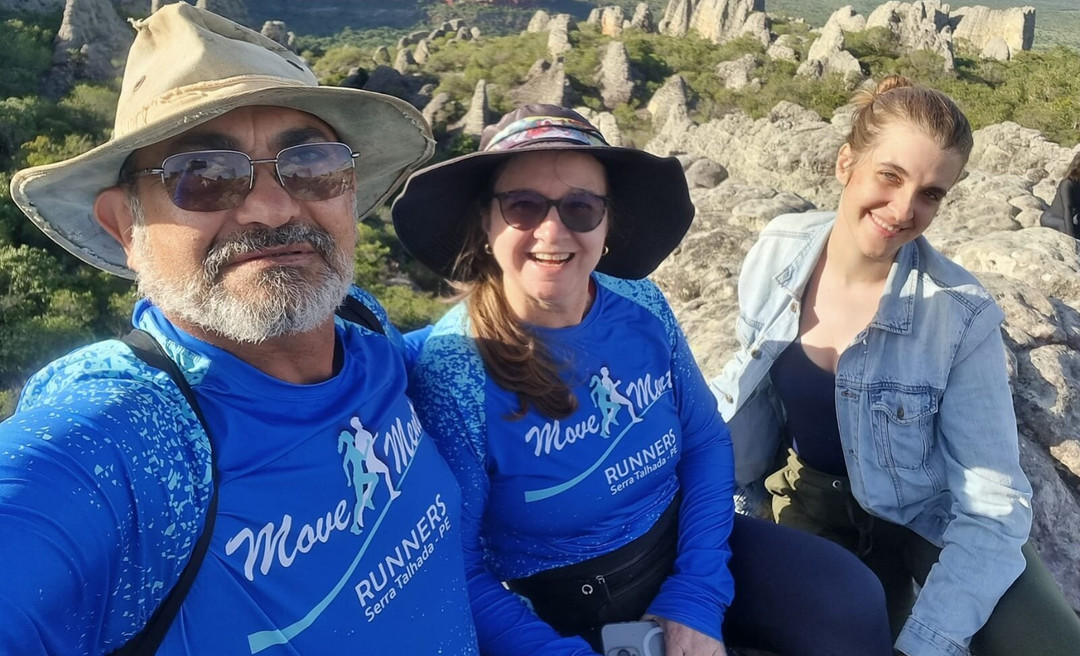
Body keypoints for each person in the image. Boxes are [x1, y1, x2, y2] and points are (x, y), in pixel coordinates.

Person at [0, 3, 480, 654]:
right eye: (202, 176)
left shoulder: (364, 327)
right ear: (124, 228)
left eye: (310, 165)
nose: (273, 207)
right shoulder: (126, 438)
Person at [392, 104, 895, 656]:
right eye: (523, 205)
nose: (552, 229)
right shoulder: (455, 371)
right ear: (486, 223)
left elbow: (703, 441)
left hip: (681, 540)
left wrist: (696, 593)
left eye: (581, 208)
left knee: (848, 602)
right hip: (555, 600)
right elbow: (455, 564)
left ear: (607, 224)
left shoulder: (642, 305)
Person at [711, 75, 1080, 656]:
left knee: (1050, 645)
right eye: (890, 175)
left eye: (931, 193)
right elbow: (750, 390)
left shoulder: (957, 313)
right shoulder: (779, 250)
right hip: (811, 501)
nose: (904, 209)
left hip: (926, 514)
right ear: (845, 164)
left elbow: (991, 503)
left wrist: (927, 644)